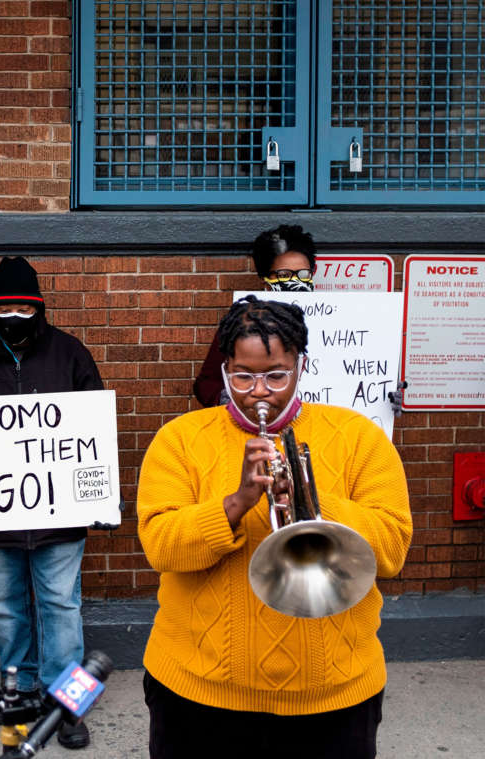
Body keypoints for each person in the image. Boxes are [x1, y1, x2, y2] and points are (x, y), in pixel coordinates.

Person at [137, 295, 412, 759]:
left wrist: (312, 496)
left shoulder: (358, 436)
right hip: (197, 692)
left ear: (300, 367)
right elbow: (161, 547)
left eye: (276, 375)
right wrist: (237, 503)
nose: (259, 391)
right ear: (224, 370)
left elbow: (391, 551)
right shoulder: (179, 440)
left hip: (333, 696)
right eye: (243, 376)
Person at [0, 256, 104, 750]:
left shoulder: (71, 355)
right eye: (4, 306)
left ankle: (67, 703)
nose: (13, 314)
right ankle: (18, 690)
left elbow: (92, 427)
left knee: (61, 608)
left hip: (61, 515)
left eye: (23, 306)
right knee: (8, 610)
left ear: (38, 307)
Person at [193, 224, 317, 407]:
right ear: (265, 277)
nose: (294, 281)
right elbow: (206, 384)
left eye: (303, 274)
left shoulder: (337, 318)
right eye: (283, 274)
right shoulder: (241, 323)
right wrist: (233, 401)